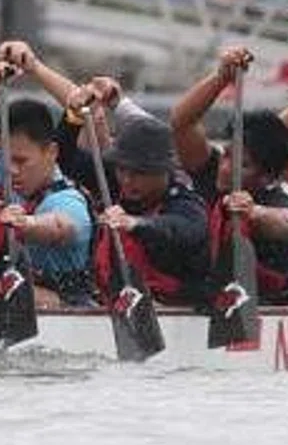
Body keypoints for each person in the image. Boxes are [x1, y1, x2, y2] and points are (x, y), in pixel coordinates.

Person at [168, 47, 288, 304]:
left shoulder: (279, 203)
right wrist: (221, 77)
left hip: (268, 302)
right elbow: (181, 122)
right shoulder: (213, 170)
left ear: (268, 177)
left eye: (243, 165)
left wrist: (253, 213)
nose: (227, 168)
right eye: (227, 154)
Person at [88, 117, 212, 307]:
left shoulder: (186, 203)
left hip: (177, 311)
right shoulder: (115, 184)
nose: (127, 180)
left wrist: (136, 224)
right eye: (122, 170)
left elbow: (186, 229)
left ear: (163, 171)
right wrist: (72, 118)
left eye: (139, 172)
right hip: (118, 305)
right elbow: (68, 157)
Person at [0, 97, 96, 307]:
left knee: (17, 291)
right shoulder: (6, 176)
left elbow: (61, 226)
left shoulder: (69, 201)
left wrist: (26, 224)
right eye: (5, 160)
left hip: (69, 313)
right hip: (23, 312)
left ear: (51, 153)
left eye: (21, 161)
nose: (11, 171)